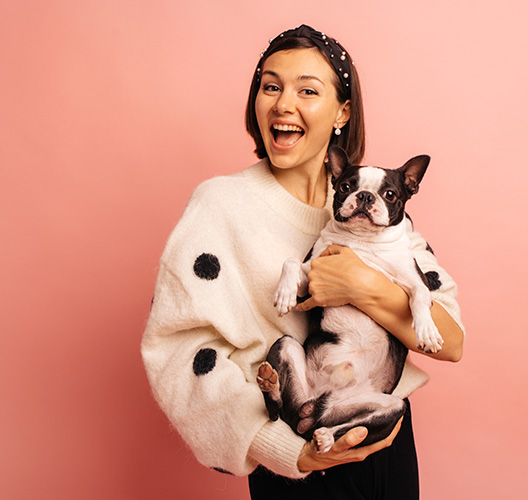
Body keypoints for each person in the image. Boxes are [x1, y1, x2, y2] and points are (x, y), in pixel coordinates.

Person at [141, 24, 464, 499]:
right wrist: (283, 449)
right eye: (270, 86)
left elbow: (450, 339)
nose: (282, 103)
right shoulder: (221, 205)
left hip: (385, 438)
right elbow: (176, 352)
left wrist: (359, 286)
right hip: (296, 458)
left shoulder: (383, 213)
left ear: (342, 112)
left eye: (306, 90)